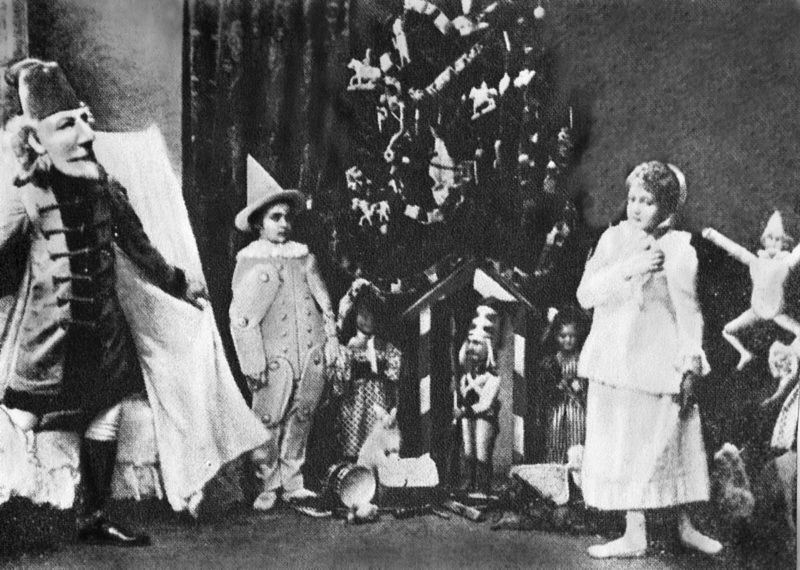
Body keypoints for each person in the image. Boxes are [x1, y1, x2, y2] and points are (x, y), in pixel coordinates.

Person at [0, 59, 207, 546]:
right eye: (65, 125)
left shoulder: (104, 186)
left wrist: (179, 283)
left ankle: (92, 517)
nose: (85, 134)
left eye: (84, 120)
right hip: (46, 341)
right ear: (35, 140)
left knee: (106, 411)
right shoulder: (25, 195)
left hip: (103, 336)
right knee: (20, 418)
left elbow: (138, 246)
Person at [577, 161, 722, 558]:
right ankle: (634, 532)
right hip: (616, 360)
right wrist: (630, 267)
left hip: (659, 361)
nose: (637, 208)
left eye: (648, 201)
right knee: (625, 445)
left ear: (667, 207)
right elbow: (586, 295)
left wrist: (690, 362)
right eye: (633, 199)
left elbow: (689, 311)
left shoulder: (678, 248)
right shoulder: (613, 240)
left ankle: (685, 527)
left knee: (670, 441)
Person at [229, 156, 338, 515]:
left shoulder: (303, 258)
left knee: (302, 415)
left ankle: (293, 480)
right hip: (273, 357)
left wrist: (331, 339)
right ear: (258, 223)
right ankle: (266, 481)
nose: (284, 224)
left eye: (288, 217)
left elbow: (324, 303)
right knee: (268, 418)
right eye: (275, 217)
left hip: (308, 352)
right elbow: (242, 318)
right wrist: (252, 359)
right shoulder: (253, 262)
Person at [702, 210, 800, 370]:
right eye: (770, 238)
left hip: (776, 312)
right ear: (764, 240)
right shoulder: (755, 261)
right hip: (755, 310)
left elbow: (797, 252)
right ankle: (745, 354)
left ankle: (790, 358)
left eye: (778, 239)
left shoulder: (785, 263)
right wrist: (712, 235)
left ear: (785, 243)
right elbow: (736, 250)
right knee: (727, 331)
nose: (773, 243)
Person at [333, 279, 402, 461]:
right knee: (355, 436)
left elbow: (394, 373)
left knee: (379, 438)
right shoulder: (349, 347)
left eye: (372, 315)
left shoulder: (384, 346)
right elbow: (340, 382)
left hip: (379, 398)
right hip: (355, 400)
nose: (368, 319)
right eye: (363, 314)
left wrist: (385, 371)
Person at [453, 303, 501, 498]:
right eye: (470, 342)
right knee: (468, 451)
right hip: (467, 417)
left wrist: (464, 411)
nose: (472, 347)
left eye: (477, 343)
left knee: (482, 452)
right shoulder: (466, 376)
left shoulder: (493, 379)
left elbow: (485, 404)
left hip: (484, 418)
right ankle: (470, 483)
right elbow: (461, 396)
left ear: (488, 348)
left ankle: (483, 487)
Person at [538, 308, 587, 463]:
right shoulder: (552, 361)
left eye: (572, 336)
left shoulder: (583, 360)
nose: (568, 340)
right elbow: (544, 389)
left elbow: (587, 387)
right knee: (555, 441)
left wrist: (579, 386)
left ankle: (576, 471)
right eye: (563, 336)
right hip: (557, 409)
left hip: (577, 408)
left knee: (577, 441)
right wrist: (555, 387)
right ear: (556, 336)